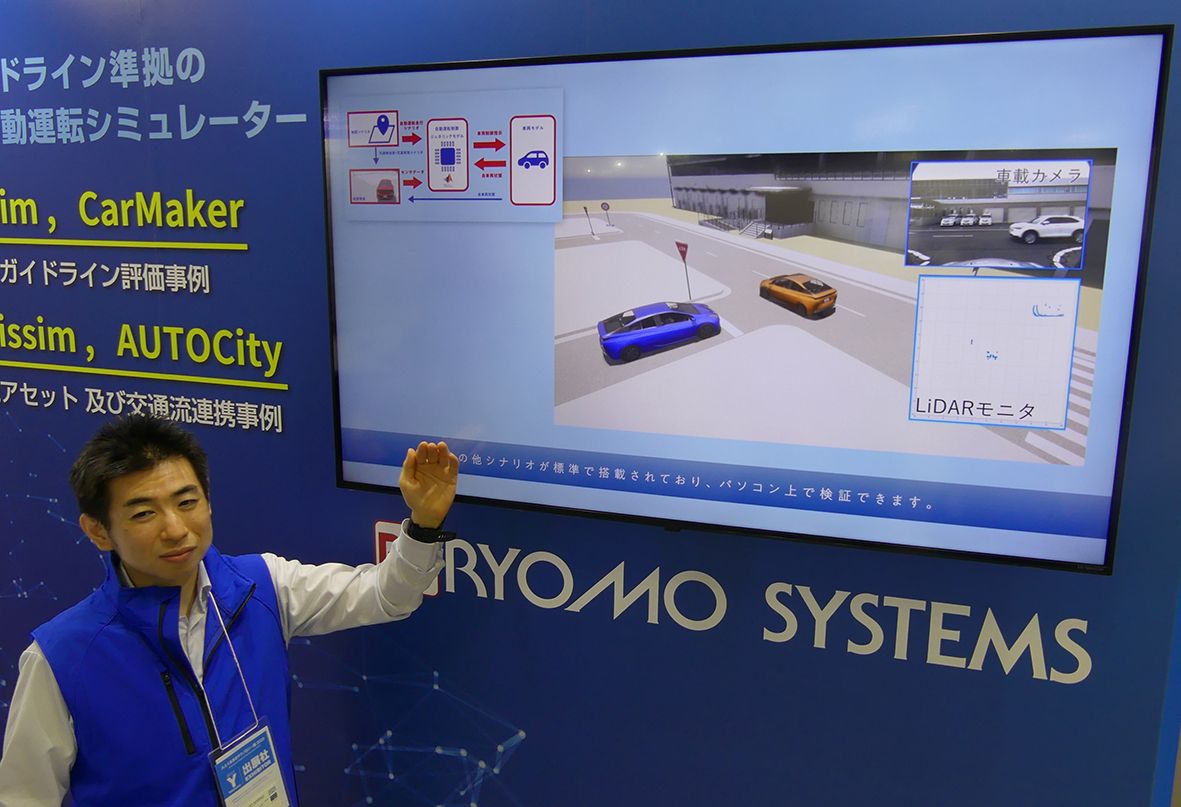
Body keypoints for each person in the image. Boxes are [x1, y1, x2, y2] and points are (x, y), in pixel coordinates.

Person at [0, 414, 458, 806]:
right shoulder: (62, 658)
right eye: (144, 514)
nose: (176, 529)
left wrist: (424, 524)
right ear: (98, 531)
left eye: (187, 502)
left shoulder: (261, 586)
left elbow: (386, 595)